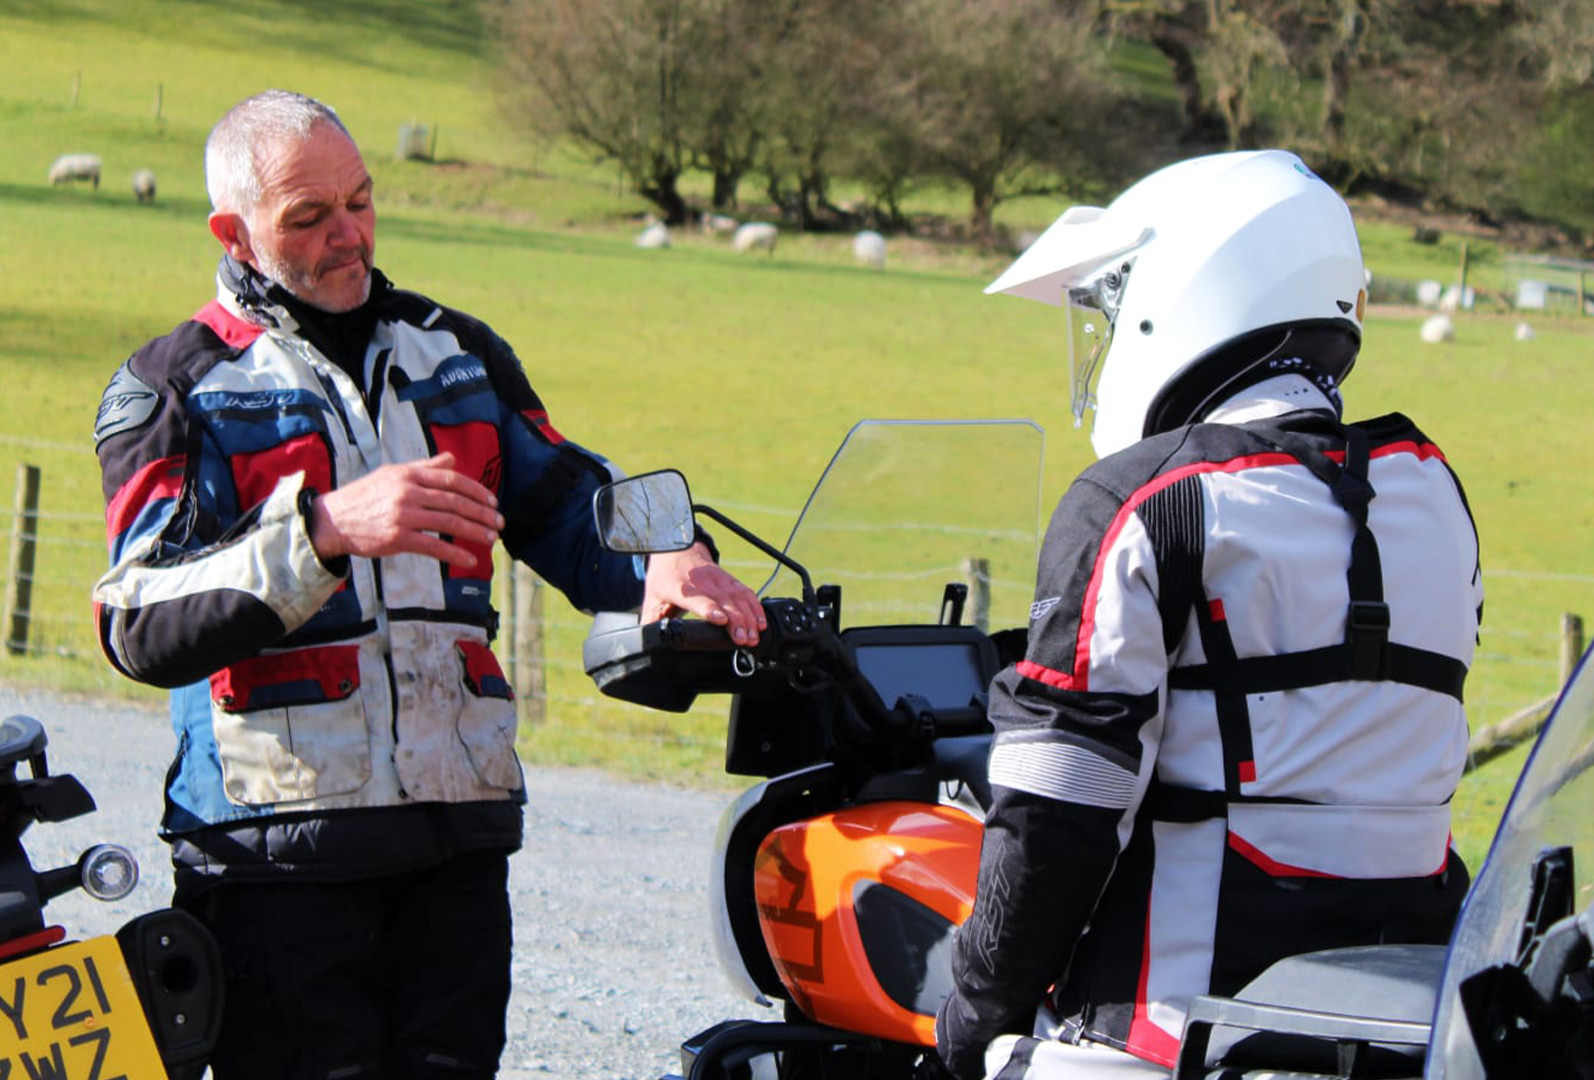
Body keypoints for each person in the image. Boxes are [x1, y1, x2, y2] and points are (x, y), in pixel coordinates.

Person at [91, 88, 766, 1080]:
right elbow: (134, 620)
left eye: (359, 202)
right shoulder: (172, 388)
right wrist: (323, 532)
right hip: (273, 862)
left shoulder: (458, 353)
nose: (348, 235)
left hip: (456, 846)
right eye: (308, 218)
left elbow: (570, 504)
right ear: (232, 233)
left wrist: (669, 554)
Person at [934, 149, 1483, 1080]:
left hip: (1166, 1034)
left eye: (1114, 307)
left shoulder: (1145, 500)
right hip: (1399, 1022)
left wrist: (972, 1008)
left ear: (1184, 289)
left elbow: (1055, 812)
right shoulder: (1430, 493)